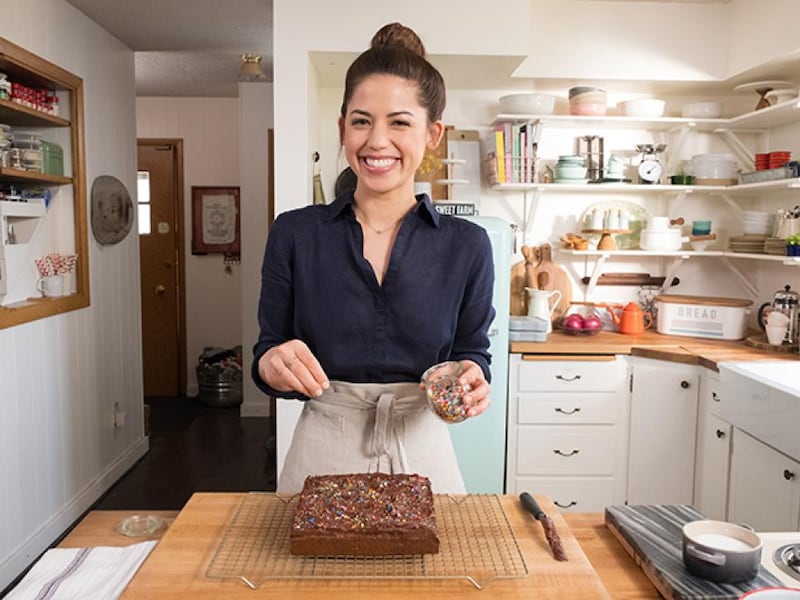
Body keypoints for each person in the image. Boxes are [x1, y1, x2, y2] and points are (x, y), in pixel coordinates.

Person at [253, 22, 496, 494]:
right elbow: (269, 350)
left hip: (423, 446)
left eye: (400, 122)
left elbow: (472, 352)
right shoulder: (295, 233)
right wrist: (271, 364)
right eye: (362, 121)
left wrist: (473, 379)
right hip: (322, 446)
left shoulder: (467, 245)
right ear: (343, 127)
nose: (377, 141)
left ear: (432, 134)